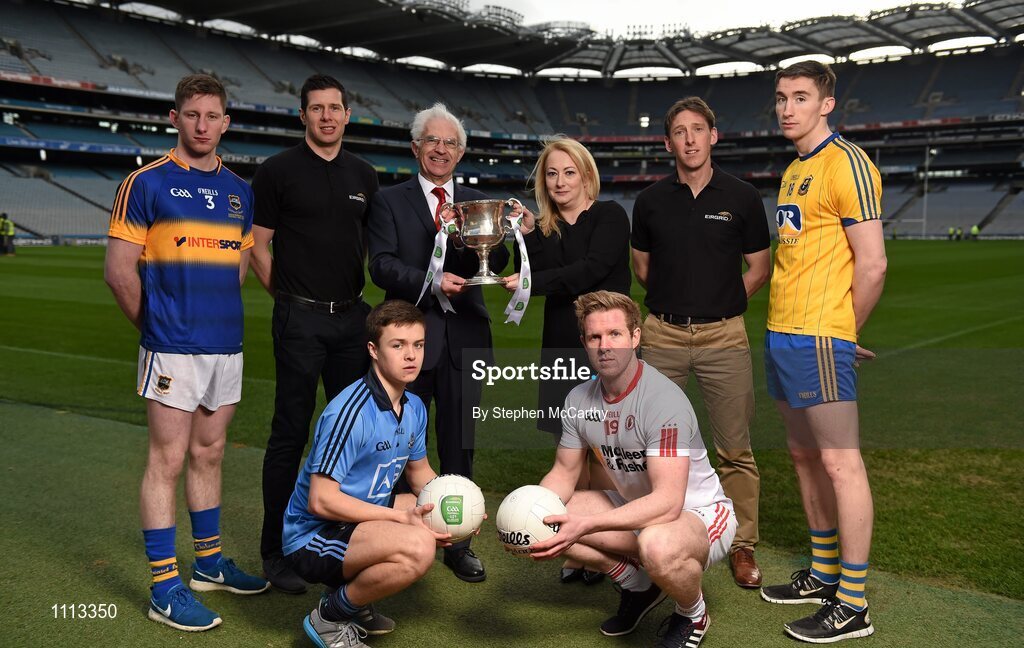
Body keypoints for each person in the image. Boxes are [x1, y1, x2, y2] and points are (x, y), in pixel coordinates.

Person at [104, 73, 268, 632]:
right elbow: (119, 273)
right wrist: (157, 329)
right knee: (167, 461)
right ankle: (164, 587)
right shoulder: (145, 183)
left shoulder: (239, 191)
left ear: (226, 122)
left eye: (212, 116)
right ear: (174, 118)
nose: (203, 125)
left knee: (211, 454)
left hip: (226, 346)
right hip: (173, 348)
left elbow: (241, 264)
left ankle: (209, 565)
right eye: (192, 115)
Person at [531, 290, 737, 648]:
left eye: (615, 334)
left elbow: (669, 503)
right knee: (544, 517)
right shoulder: (579, 399)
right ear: (583, 342)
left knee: (657, 546)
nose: (605, 346)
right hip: (637, 510)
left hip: (697, 515)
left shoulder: (662, 401)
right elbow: (563, 473)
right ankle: (637, 584)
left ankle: (693, 613)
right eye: (595, 337)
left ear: (635, 337)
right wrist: (528, 512)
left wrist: (587, 524)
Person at [761, 61, 886, 643]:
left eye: (801, 97)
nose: (788, 108)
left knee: (841, 463)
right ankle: (823, 572)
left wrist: (844, 330)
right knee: (805, 458)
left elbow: (874, 263)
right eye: (782, 98)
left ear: (827, 104)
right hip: (782, 333)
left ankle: (853, 603)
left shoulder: (849, 164)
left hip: (818, 336)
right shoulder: (793, 170)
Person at [631, 97, 770, 589]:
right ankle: (654, 535)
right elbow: (642, 268)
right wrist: (677, 305)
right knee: (654, 444)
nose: (689, 139)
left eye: (698, 129)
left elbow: (760, 267)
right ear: (668, 142)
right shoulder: (649, 201)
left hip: (723, 334)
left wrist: (722, 300)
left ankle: (742, 544)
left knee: (734, 447)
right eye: (680, 132)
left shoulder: (743, 197)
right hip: (663, 333)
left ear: (714, 136)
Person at [368, 102, 508, 583]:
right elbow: (381, 265)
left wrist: (506, 233)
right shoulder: (390, 201)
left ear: (461, 152)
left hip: (465, 340)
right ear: (416, 148)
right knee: (396, 446)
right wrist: (431, 283)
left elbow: (495, 257)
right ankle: (390, 535)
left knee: (459, 447)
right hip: (409, 340)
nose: (441, 149)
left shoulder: (476, 200)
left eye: (450, 142)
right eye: (433, 141)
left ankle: (459, 541)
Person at [251, 74, 380, 594]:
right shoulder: (276, 171)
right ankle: (275, 551)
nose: (327, 116)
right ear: (302, 115)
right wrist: (287, 300)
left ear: (347, 115)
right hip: (299, 319)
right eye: (317, 109)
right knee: (291, 433)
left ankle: (344, 546)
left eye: (335, 108)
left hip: (352, 320)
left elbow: (372, 246)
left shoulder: (365, 174)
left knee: (352, 438)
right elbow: (258, 247)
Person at [283, 300, 454, 648]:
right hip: (312, 536)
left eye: (418, 345)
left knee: (431, 513)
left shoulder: (414, 406)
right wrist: (398, 517)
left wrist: (457, 506)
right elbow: (321, 500)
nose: (411, 356)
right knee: (419, 547)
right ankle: (331, 616)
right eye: (398, 345)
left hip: (355, 520)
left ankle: (355, 604)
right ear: (373, 350)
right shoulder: (350, 412)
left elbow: (420, 473)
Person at [504, 135, 630, 585]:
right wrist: (520, 231)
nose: (559, 181)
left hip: (603, 347)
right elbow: (526, 265)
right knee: (570, 448)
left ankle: (603, 542)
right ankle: (575, 548)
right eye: (551, 173)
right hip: (559, 343)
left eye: (568, 172)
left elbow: (591, 271)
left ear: (586, 174)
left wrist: (528, 282)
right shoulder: (544, 229)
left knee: (605, 452)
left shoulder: (610, 216)